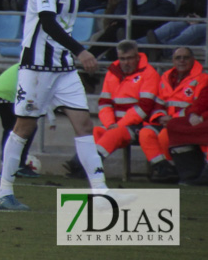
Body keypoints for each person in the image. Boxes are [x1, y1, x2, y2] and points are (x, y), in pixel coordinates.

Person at [0, 0, 106, 212]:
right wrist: (81, 50)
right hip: (38, 67)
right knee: (24, 126)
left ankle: (101, 193)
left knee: (83, 124)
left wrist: (74, 54)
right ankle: (4, 191)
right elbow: (47, 22)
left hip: (64, 67)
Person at [62, 40, 160, 179]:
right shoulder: (113, 72)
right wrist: (109, 124)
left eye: (130, 58)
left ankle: (85, 166)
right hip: (115, 125)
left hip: (140, 125)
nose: (126, 62)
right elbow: (104, 103)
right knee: (95, 132)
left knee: (114, 133)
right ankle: (79, 164)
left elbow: (144, 108)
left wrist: (117, 125)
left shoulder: (149, 73)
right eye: (122, 59)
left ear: (137, 56)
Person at [139, 47, 204, 183]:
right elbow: (159, 102)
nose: (181, 61)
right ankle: (163, 169)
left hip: (184, 123)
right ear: (173, 61)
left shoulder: (202, 79)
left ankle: (175, 170)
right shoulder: (166, 77)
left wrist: (173, 120)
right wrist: (160, 117)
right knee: (145, 133)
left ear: (193, 60)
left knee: (164, 135)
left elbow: (198, 106)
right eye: (178, 58)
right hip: (164, 121)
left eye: (185, 57)